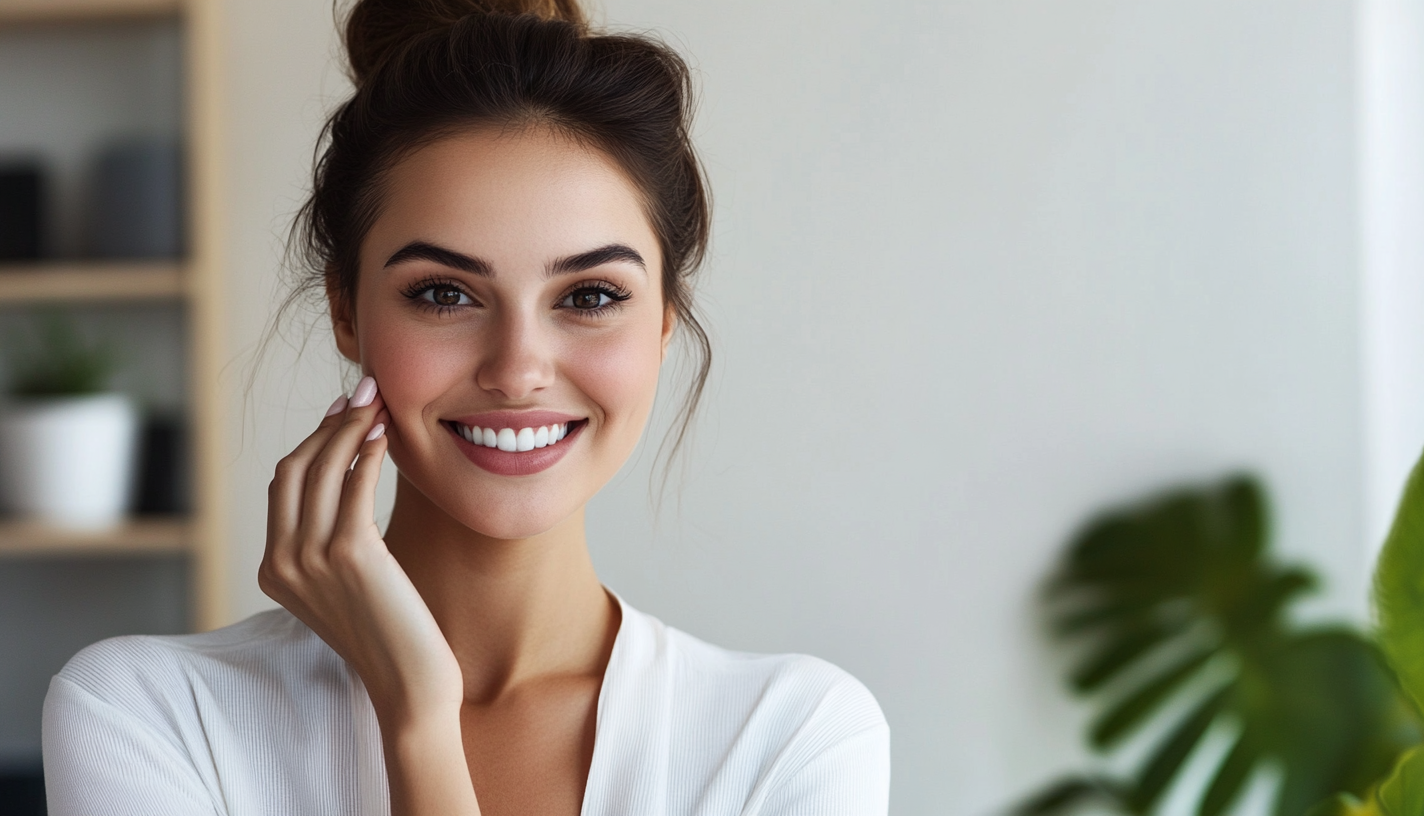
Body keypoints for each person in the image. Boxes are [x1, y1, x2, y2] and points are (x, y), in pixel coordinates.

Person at [41, 1, 890, 814]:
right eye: (444, 293)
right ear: (346, 310)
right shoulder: (149, 720)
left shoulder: (790, 740)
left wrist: (419, 728)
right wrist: (415, 704)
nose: (518, 369)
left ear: (664, 321)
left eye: (591, 296)